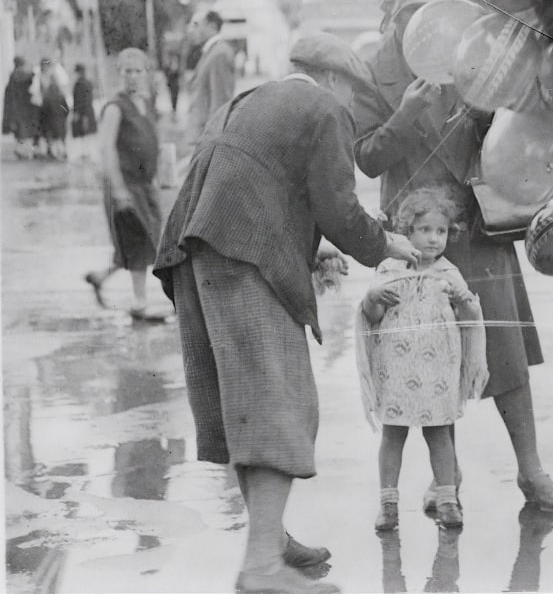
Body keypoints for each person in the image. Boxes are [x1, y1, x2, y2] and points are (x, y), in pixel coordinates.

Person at [152, 33, 420, 594]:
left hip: (194, 252)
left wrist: (308, 247)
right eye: (355, 94)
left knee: (245, 405)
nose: (354, 108)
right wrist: (385, 244)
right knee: (277, 401)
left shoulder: (250, 100)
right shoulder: (324, 109)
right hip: (240, 256)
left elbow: (250, 189)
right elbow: (341, 209)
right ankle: (260, 568)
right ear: (334, 79)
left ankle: (269, 541)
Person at [353, 0, 553, 515]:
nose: (418, 13)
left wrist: (488, 105)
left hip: (477, 226)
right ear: (386, 5)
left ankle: (531, 470)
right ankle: (444, 478)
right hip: (415, 244)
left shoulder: (470, 39)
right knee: (427, 359)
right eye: (404, 2)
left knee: (506, 355)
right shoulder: (372, 72)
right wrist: (405, 116)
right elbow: (366, 158)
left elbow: (515, 121)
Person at [357, 186, 489, 531]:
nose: (433, 239)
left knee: (439, 432)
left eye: (441, 231)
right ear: (407, 231)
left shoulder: (449, 273)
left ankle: (447, 499)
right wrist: (372, 297)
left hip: (436, 370)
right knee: (393, 434)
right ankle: (388, 503)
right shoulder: (389, 267)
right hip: (396, 368)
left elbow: (469, 320)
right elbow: (372, 317)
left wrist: (465, 302)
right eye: (425, 230)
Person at [84, 49, 166, 321]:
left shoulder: (146, 103)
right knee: (138, 241)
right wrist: (118, 190)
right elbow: (106, 148)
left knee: (150, 239)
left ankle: (102, 277)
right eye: (127, 71)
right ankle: (140, 303)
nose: (132, 76)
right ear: (120, 73)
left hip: (144, 185)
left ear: (146, 73)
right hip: (125, 186)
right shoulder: (115, 107)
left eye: (138, 70)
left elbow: (152, 142)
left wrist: (156, 177)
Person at [184, 9, 235, 150]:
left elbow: (220, 103)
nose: (190, 29)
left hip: (207, 142)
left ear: (212, 27)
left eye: (196, 24)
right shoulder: (211, 52)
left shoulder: (219, 54)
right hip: (202, 138)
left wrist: (211, 146)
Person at [2, 56, 41, 159]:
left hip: (17, 108)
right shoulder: (17, 76)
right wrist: (33, 73)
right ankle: (21, 151)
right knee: (21, 131)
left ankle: (20, 151)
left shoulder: (13, 76)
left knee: (20, 132)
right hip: (20, 109)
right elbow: (26, 81)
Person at [38, 58, 69, 160]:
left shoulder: (51, 77)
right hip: (56, 116)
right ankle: (60, 151)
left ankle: (54, 152)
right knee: (58, 136)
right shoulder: (40, 77)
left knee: (50, 135)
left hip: (48, 113)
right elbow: (66, 108)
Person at [71, 63, 98, 158]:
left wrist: (77, 113)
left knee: (83, 132)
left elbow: (80, 100)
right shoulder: (88, 82)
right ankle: (87, 152)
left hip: (82, 112)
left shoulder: (79, 84)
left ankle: (85, 152)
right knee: (86, 133)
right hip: (88, 111)